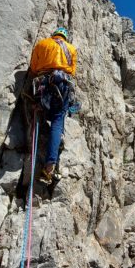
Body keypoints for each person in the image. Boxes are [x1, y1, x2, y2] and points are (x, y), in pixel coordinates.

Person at [28, 27, 77, 183]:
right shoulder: (71, 49)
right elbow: (72, 71)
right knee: (57, 120)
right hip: (62, 84)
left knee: (38, 109)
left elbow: (34, 67)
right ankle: (49, 167)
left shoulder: (43, 44)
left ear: (54, 34)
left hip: (43, 82)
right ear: (65, 36)